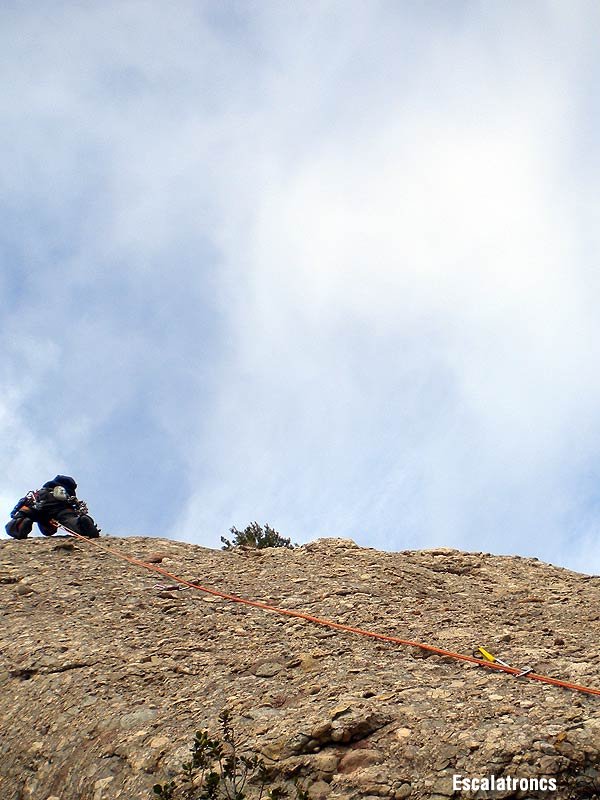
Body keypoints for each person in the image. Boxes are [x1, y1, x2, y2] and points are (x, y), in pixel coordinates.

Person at [5, 475, 100, 539]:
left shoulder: (43, 490)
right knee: (70, 520)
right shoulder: (67, 492)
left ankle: (19, 525)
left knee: (24, 514)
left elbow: (20, 506)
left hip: (39, 503)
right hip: (62, 507)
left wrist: (18, 512)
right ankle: (81, 524)